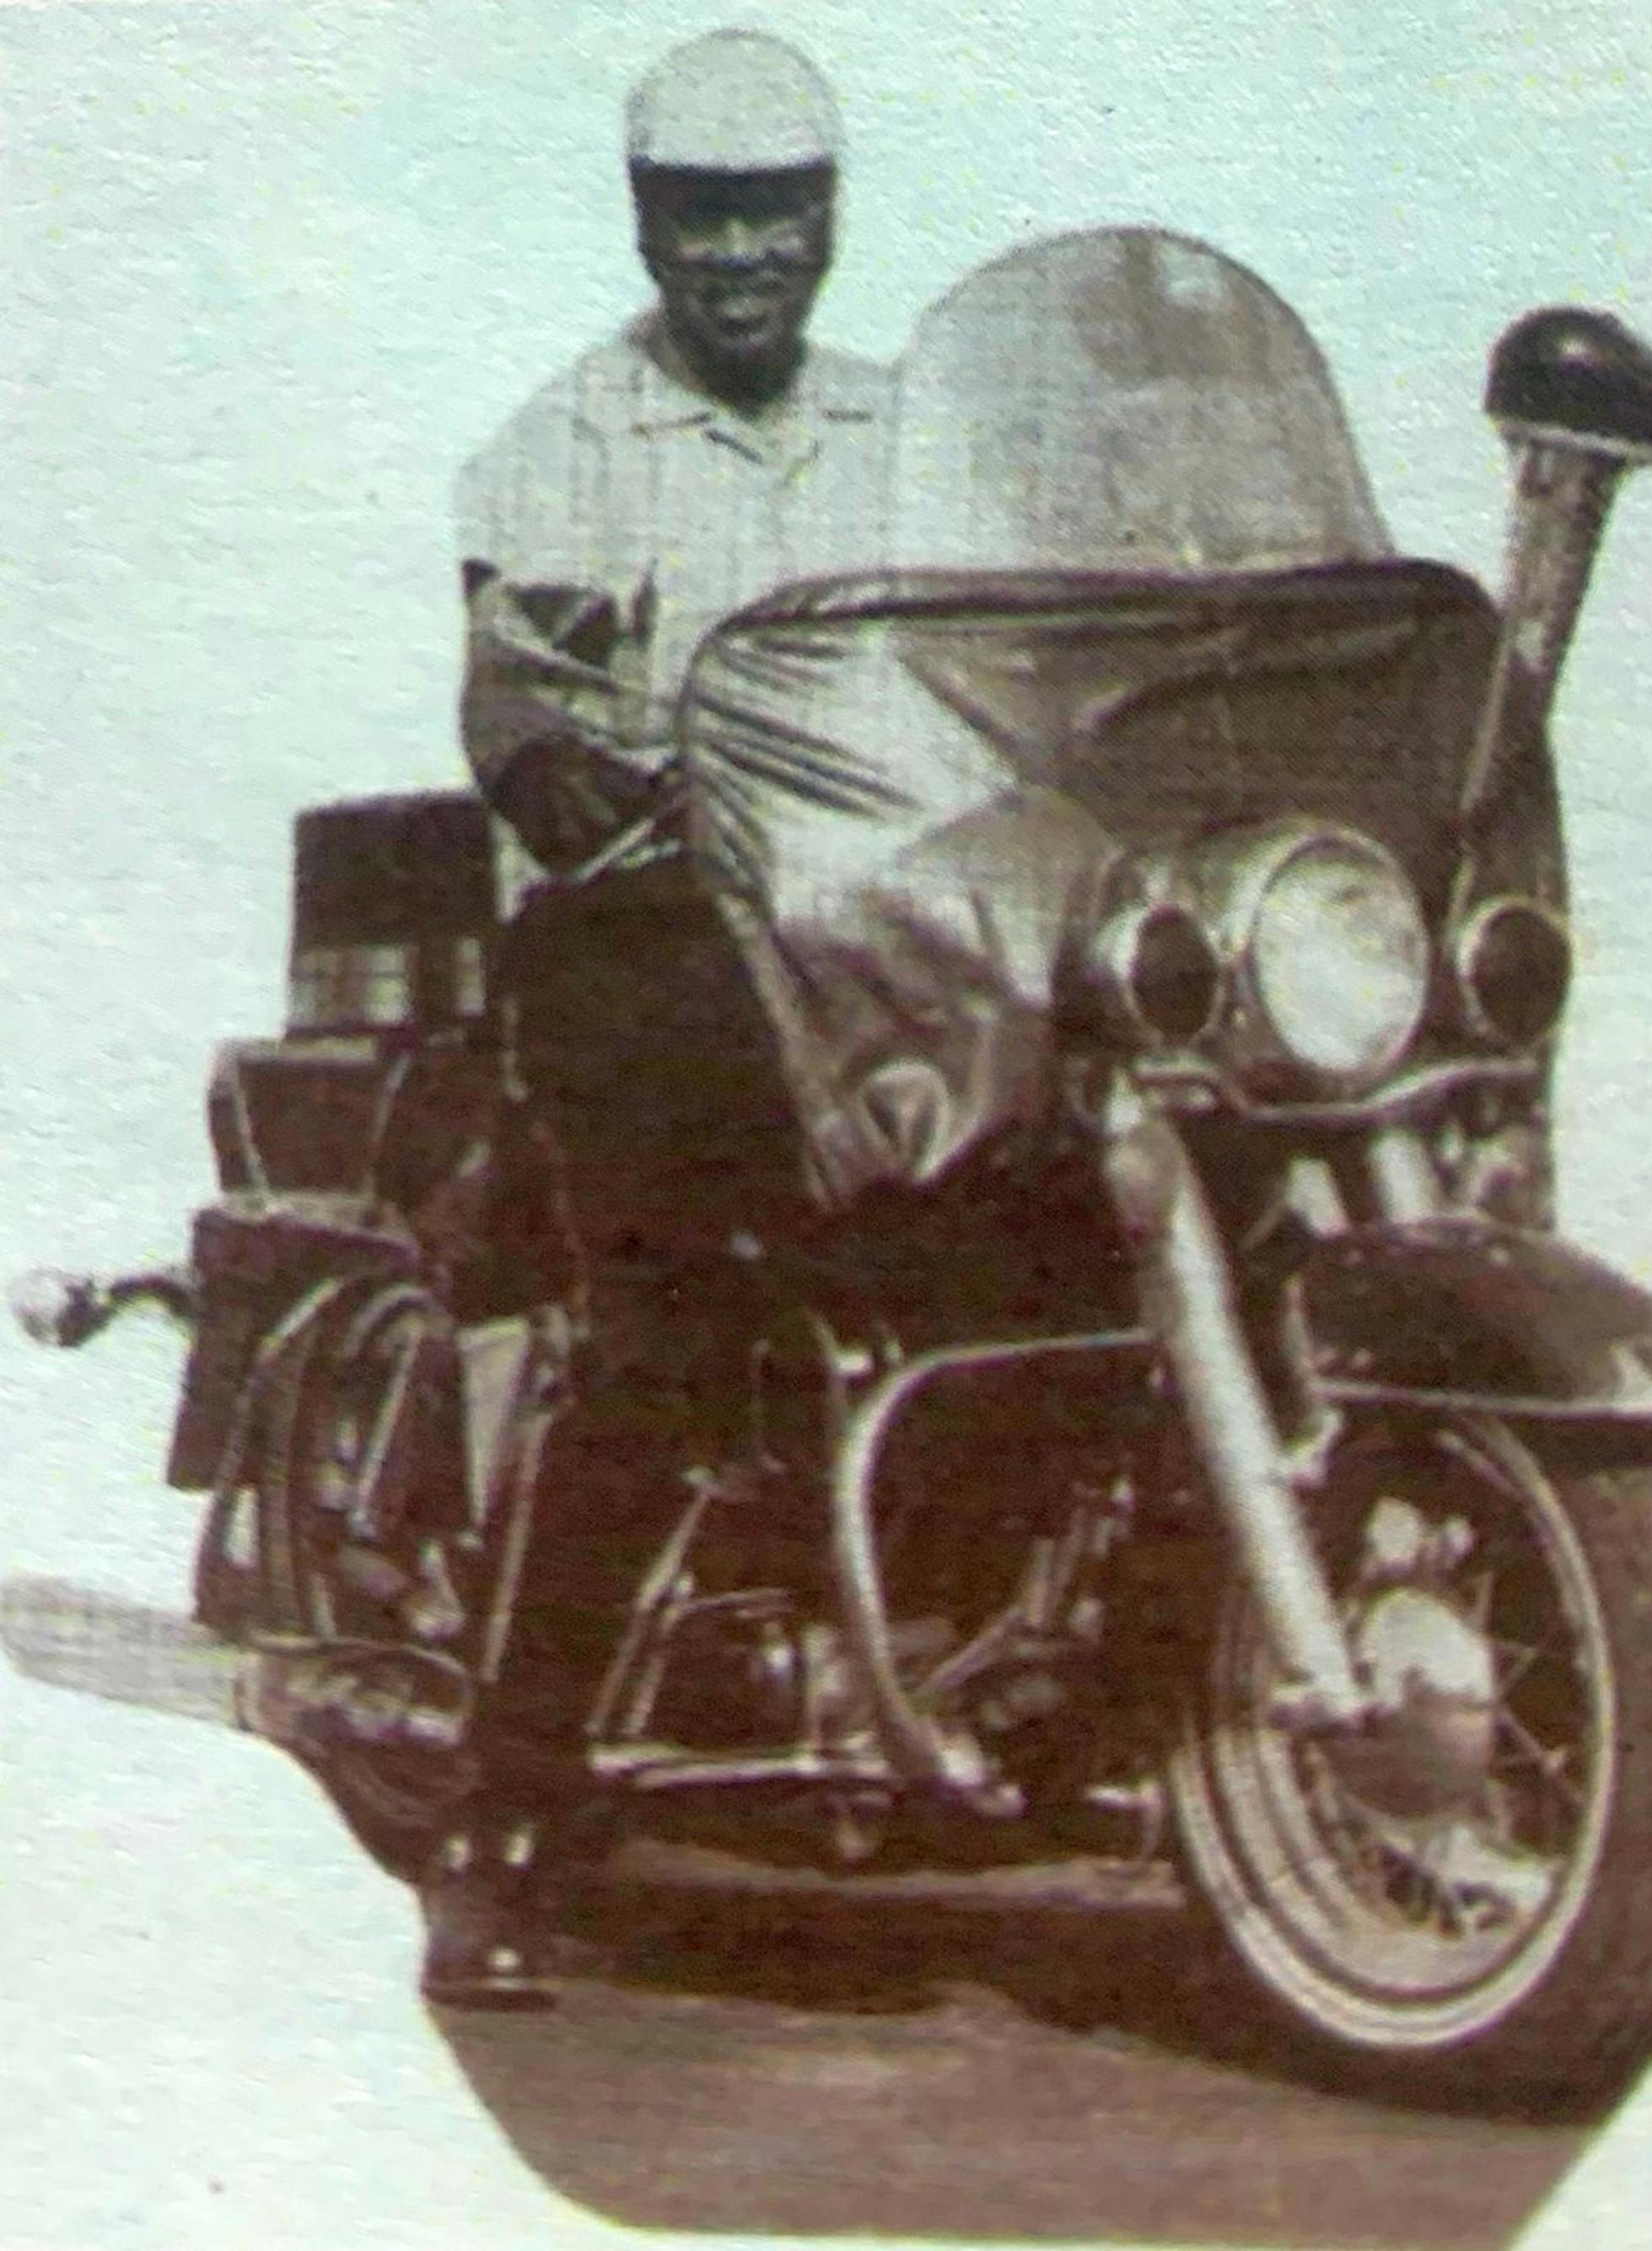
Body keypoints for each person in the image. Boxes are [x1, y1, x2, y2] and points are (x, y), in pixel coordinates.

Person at [417, 30, 896, 2009]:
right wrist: (556, 770)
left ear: (830, 218)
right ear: (645, 224)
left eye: (776, 213)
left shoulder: (911, 428)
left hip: (883, 945)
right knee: (670, 1326)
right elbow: (512, 689)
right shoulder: (563, 442)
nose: (743, 253)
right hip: (642, 937)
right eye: (705, 217)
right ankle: (504, 1819)